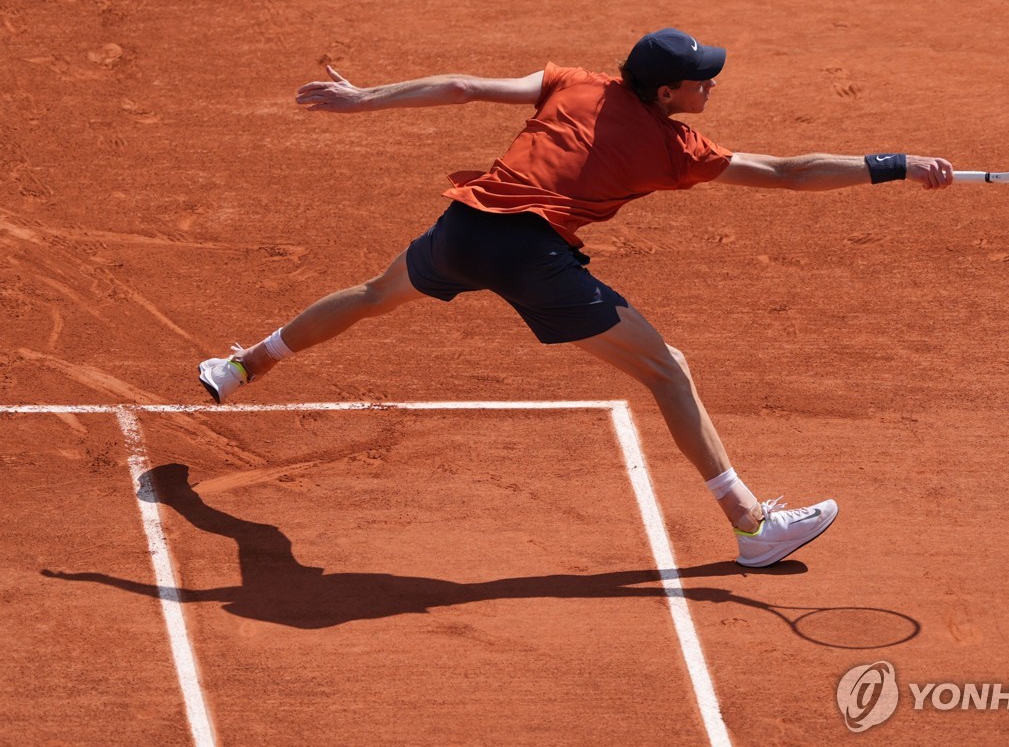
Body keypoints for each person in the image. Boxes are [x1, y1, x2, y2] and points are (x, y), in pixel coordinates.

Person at [199, 28, 954, 568]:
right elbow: (790, 173)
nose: (712, 86)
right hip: (535, 257)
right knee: (668, 371)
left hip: (466, 226)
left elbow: (462, 88)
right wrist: (895, 165)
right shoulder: (674, 149)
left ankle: (241, 366)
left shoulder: (577, 82)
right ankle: (751, 526)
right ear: (669, 93)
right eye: (703, 80)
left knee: (371, 295)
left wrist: (362, 99)